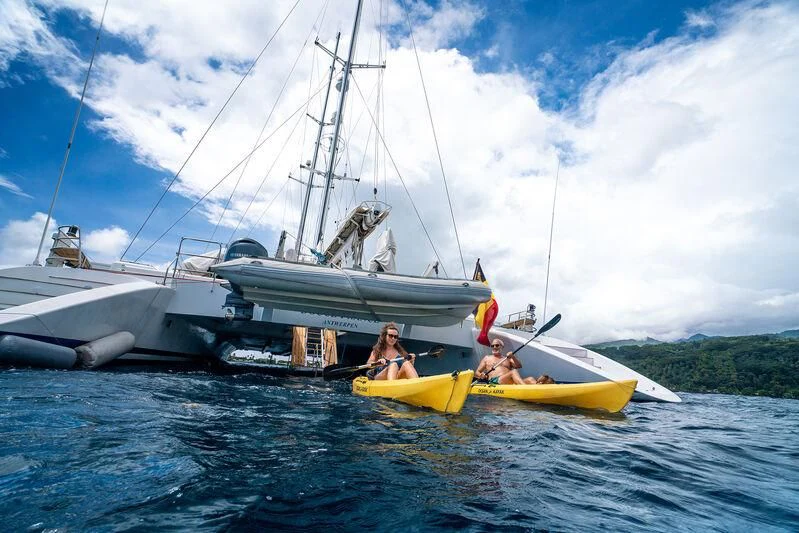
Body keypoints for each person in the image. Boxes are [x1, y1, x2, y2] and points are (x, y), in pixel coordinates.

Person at [474, 338, 539, 385]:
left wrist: (513, 357)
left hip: (510, 381)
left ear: (502, 347)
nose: (494, 347)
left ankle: (538, 391)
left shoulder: (507, 358)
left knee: (530, 379)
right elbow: (477, 372)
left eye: (497, 345)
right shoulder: (487, 358)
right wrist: (481, 375)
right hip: (495, 381)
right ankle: (526, 390)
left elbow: (519, 366)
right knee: (513, 372)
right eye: (492, 346)